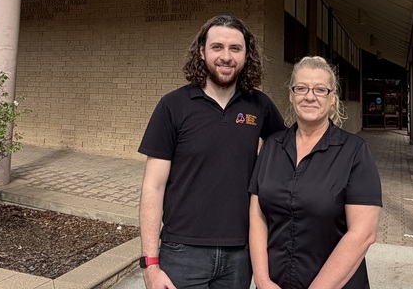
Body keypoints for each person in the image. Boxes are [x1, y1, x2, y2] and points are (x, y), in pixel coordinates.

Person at [138, 15, 285, 289]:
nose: (226, 57)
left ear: (246, 55)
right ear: (202, 52)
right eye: (217, 47)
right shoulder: (173, 106)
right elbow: (153, 187)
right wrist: (150, 263)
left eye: (235, 48)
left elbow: (289, 152)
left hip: (240, 253)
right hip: (182, 252)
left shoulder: (260, 106)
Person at [249, 56, 382, 289]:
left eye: (320, 89)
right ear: (291, 95)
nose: (310, 96)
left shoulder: (355, 152)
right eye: (301, 88)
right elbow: (257, 215)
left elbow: (363, 234)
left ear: (333, 98)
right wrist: (262, 280)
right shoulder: (271, 146)